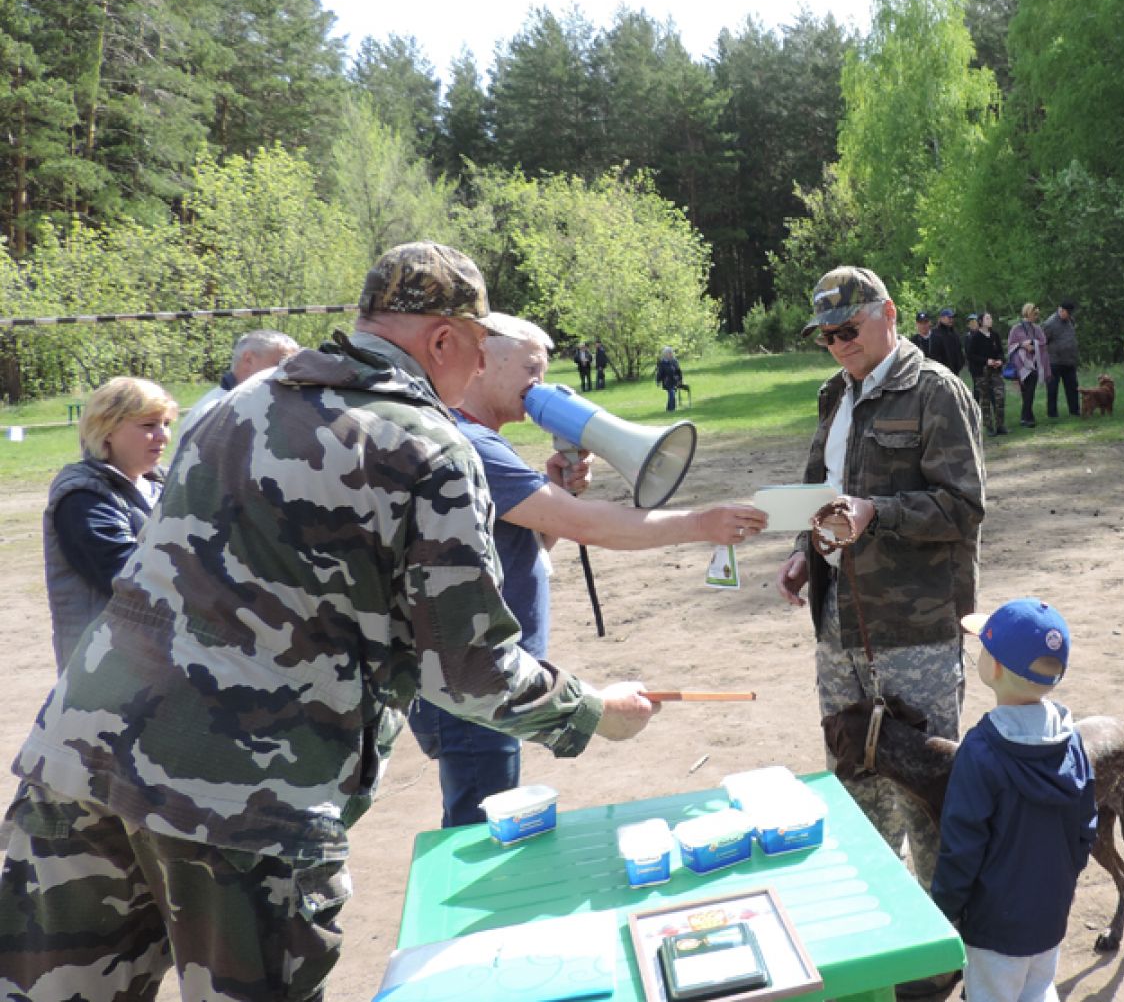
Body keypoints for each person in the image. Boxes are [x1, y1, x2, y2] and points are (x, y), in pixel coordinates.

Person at [0, 242, 660, 1002]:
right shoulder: (428, 445)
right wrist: (591, 711)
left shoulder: (238, 404)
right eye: (477, 351)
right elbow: (468, 668)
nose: (478, 373)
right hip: (243, 802)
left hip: (81, 756)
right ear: (443, 340)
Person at [408, 313, 767, 829]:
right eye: (532, 368)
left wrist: (554, 490)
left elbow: (532, 544)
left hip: (483, 677)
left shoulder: (478, 439)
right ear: (484, 361)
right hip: (475, 684)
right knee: (480, 829)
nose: (543, 384)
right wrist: (701, 523)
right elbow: (591, 526)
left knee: (484, 815)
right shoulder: (473, 444)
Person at [775, 266, 984, 983]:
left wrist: (877, 513)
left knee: (928, 795)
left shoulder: (936, 392)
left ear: (888, 314)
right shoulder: (835, 394)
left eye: (847, 329)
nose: (836, 345)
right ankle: (873, 941)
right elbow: (818, 495)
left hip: (916, 633)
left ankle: (934, 960)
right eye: (825, 335)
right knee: (854, 789)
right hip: (840, 632)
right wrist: (805, 554)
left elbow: (961, 507)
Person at [932, 598, 1096, 1002]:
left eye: (984, 649)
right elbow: (1084, 830)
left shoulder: (982, 749)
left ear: (996, 668)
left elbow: (962, 844)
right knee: (1039, 990)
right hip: (1049, 915)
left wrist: (945, 909)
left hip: (992, 927)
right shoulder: (1072, 742)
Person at [43, 377, 178, 672]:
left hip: (157, 659)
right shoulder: (82, 496)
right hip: (107, 670)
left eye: (165, 424)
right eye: (148, 426)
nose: (163, 437)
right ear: (107, 430)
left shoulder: (165, 483)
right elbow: (130, 578)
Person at [185, 329, 300, 426]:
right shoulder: (215, 414)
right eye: (281, 364)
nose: (289, 374)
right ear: (248, 359)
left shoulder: (248, 405)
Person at [1007, 303, 1049, 428]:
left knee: (1030, 391)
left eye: (1037, 314)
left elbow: (1043, 342)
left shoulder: (1036, 328)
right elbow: (1010, 345)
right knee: (1026, 391)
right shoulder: (1016, 328)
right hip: (1020, 364)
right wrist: (1022, 345)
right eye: (1034, 314)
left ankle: (1026, 417)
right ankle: (1027, 417)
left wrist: (1032, 343)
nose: (1035, 317)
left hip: (1034, 364)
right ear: (1027, 313)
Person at [966, 311, 1008, 437]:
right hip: (981, 372)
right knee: (985, 399)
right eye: (987, 318)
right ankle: (988, 426)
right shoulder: (975, 337)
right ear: (981, 321)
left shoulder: (995, 335)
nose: (990, 320)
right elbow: (971, 355)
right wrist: (986, 361)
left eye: (991, 318)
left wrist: (1000, 360)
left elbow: (1000, 351)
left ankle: (1000, 425)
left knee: (1000, 397)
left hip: (996, 371)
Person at [1041, 301, 1081, 419]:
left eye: (1070, 314)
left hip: (1069, 360)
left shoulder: (1071, 321)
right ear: (1061, 310)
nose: (1068, 316)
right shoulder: (1050, 323)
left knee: (1072, 387)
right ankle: (1052, 414)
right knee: (1053, 389)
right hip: (1055, 361)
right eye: (1067, 313)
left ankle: (1074, 410)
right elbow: (1043, 341)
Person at [927, 307, 966, 378]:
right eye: (949, 317)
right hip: (941, 373)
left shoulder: (954, 334)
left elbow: (959, 351)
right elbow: (933, 354)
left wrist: (960, 364)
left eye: (952, 318)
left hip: (955, 372)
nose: (951, 320)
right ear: (942, 318)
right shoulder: (935, 333)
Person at [655, 345, 683, 412]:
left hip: (674, 380)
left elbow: (678, 371)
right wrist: (658, 381)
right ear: (665, 354)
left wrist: (680, 380)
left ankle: (669, 409)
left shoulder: (674, 361)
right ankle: (672, 409)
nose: (671, 354)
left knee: (672, 394)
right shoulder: (662, 363)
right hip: (667, 381)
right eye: (669, 353)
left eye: (671, 353)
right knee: (672, 393)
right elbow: (660, 373)